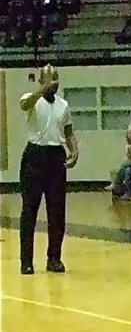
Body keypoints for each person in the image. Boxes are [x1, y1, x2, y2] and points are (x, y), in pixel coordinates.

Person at [19, 64, 78, 274]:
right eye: (49, 79)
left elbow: (68, 131)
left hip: (55, 157)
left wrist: (74, 150)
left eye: (56, 79)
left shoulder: (63, 105)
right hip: (35, 156)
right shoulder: (32, 99)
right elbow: (25, 105)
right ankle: (26, 261)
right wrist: (41, 91)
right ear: (41, 81)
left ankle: (54, 258)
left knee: (57, 211)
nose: (53, 84)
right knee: (29, 210)